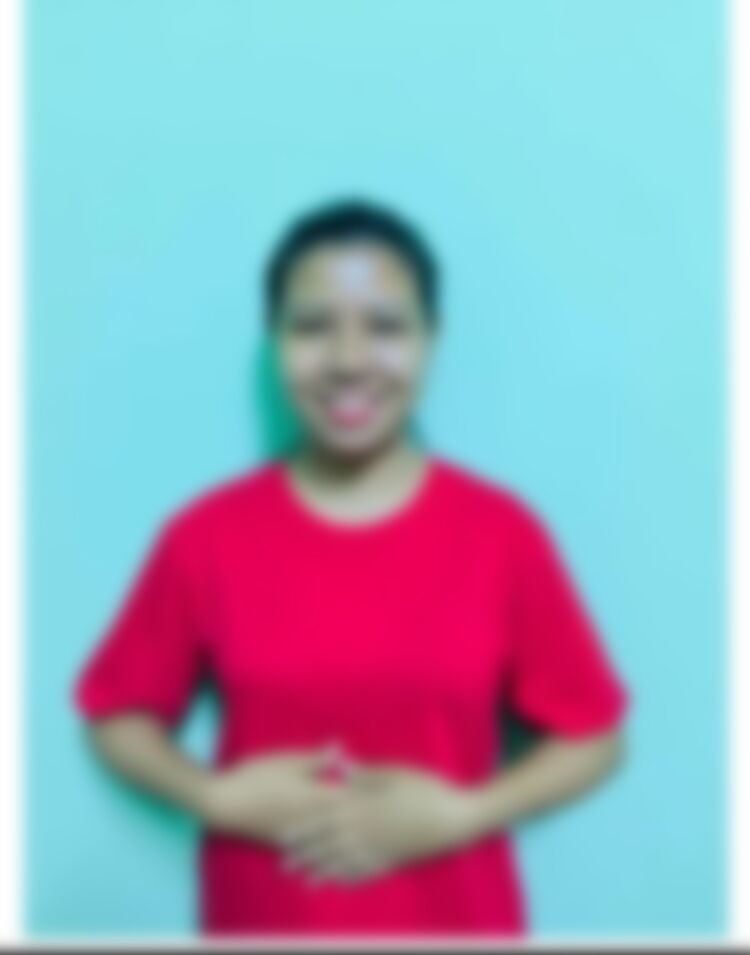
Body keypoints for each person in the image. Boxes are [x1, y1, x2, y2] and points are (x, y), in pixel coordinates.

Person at [73, 198, 630, 938]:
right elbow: (114, 711)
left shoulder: (502, 534)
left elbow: (596, 733)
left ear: (432, 339)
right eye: (312, 326)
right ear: (274, 339)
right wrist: (214, 798)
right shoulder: (205, 535)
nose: (348, 360)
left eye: (386, 326)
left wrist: (464, 812)